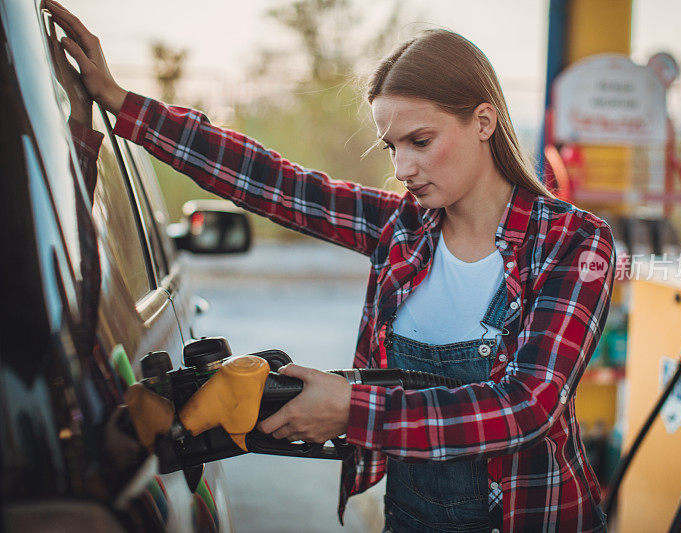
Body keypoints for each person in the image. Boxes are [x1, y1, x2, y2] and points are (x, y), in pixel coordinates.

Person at [45, 1, 615, 530]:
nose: (405, 168)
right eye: (393, 148)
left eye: (420, 140)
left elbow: (526, 406)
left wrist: (354, 410)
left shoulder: (572, 243)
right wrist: (121, 103)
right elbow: (275, 182)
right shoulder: (403, 230)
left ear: (484, 122)